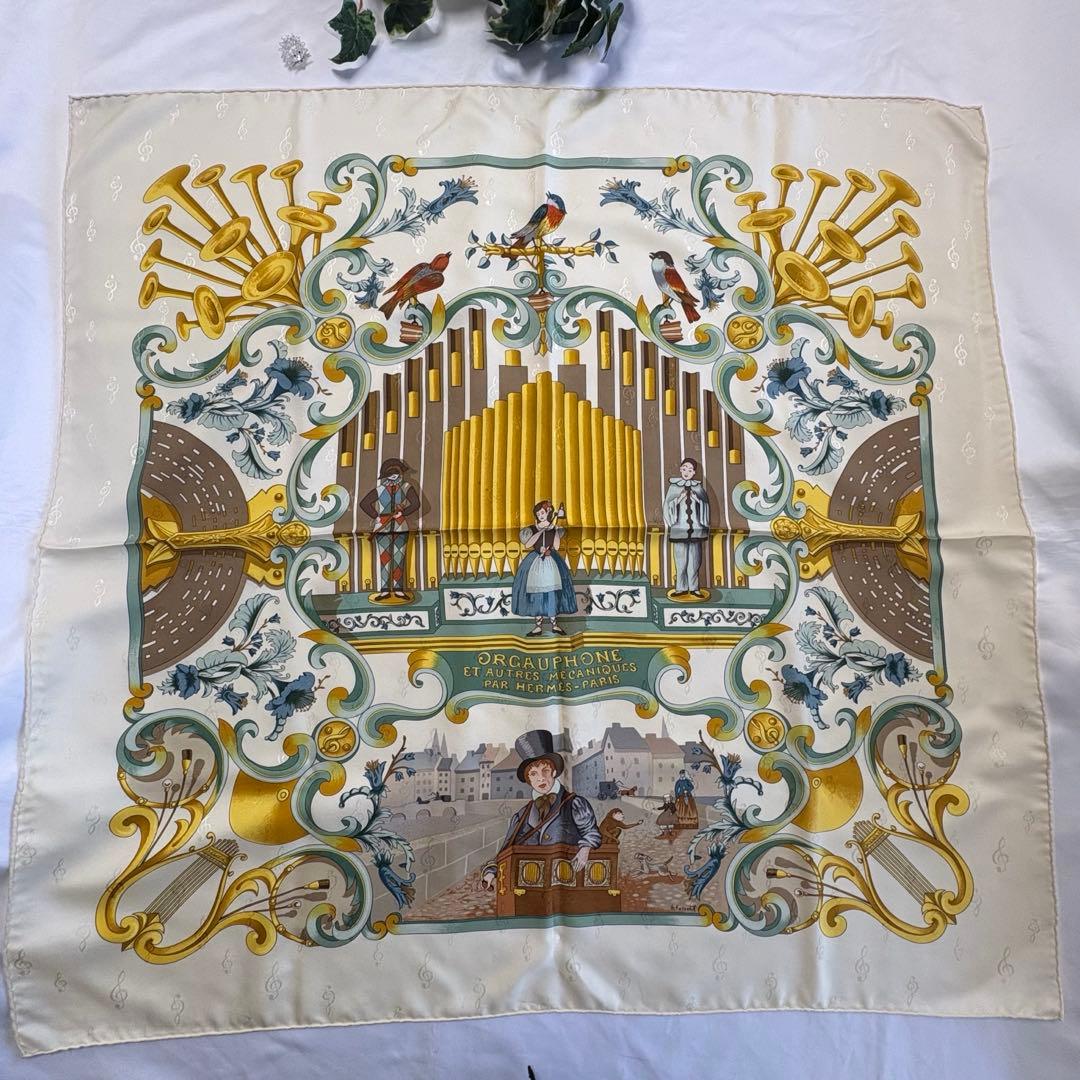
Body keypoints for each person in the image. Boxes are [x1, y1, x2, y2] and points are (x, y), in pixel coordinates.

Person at [481, 730, 600, 890]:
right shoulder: (521, 815)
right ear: (529, 780)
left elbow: (591, 833)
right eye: (533, 774)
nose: (541, 778)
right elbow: (507, 849)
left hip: (567, 882)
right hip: (530, 883)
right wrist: (491, 871)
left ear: (554, 772)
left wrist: (585, 849)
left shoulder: (575, 803)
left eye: (545, 771)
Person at [358, 458, 420, 602]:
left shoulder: (406, 487)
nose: (394, 477)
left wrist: (403, 513)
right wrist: (377, 516)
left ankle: (398, 589)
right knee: (384, 559)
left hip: (401, 527)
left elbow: (416, 503)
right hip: (382, 528)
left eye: (396, 473)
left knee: (399, 558)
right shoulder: (379, 490)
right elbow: (364, 503)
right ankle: (385, 590)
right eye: (390, 474)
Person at [511, 500, 577, 636]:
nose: (540, 516)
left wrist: (554, 530)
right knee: (537, 593)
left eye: (542, 513)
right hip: (535, 562)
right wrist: (540, 531)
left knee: (552, 592)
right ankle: (538, 627)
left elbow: (556, 546)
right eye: (538, 514)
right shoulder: (533, 528)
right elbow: (528, 544)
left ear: (548, 512)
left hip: (551, 561)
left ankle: (554, 625)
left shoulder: (553, 527)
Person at [663, 457, 710, 599]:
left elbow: (706, 505)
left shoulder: (698, 487)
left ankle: (694, 588)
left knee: (695, 561)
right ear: (680, 470)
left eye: (690, 470)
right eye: (684, 469)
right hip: (679, 529)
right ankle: (681, 588)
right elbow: (667, 505)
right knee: (680, 561)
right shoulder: (674, 487)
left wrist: (698, 500)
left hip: (696, 530)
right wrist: (678, 499)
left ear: (694, 472)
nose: (686, 472)